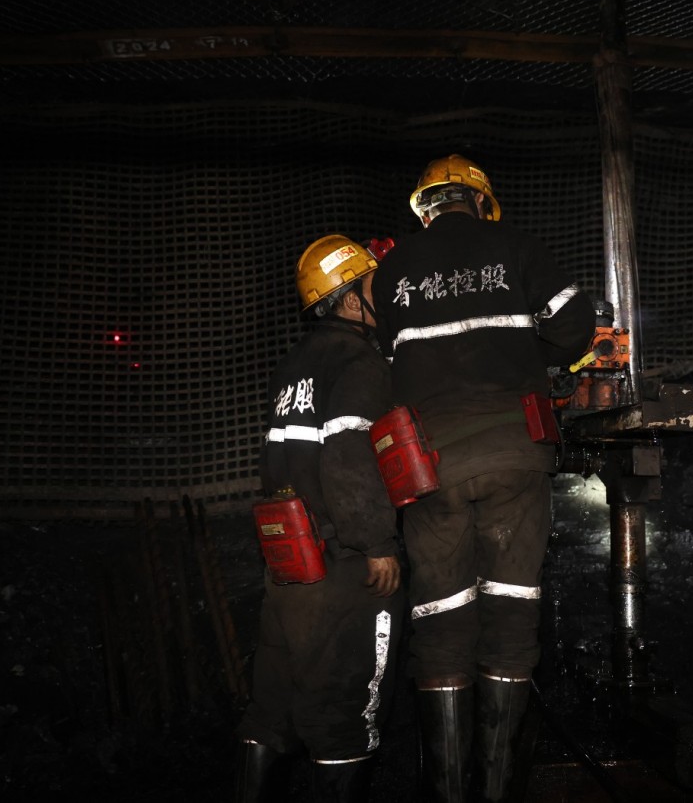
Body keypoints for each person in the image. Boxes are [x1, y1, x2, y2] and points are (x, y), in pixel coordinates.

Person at [371, 154, 595, 801]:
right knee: (511, 613)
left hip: (429, 467)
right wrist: (528, 355)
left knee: (441, 621)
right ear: (480, 201)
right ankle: (496, 790)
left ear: (425, 209)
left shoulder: (392, 272)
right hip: (512, 455)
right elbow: (575, 327)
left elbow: (383, 362)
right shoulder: (515, 247)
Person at [235, 235, 405, 803]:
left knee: (271, 710)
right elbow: (349, 455)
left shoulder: (294, 366)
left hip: (289, 566)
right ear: (352, 300)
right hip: (341, 569)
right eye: (375, 286)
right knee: (344, 716)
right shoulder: (358, 362)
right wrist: (376, 542)